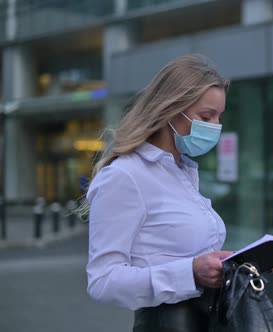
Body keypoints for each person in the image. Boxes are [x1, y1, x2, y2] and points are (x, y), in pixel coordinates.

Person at [84, 54, 233, 331]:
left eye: (219, 116)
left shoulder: (182, 172)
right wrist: (190, 273)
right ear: (172, 109)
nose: (215, 126)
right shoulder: (125, 176)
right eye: (206, 116)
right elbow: (102, 281)